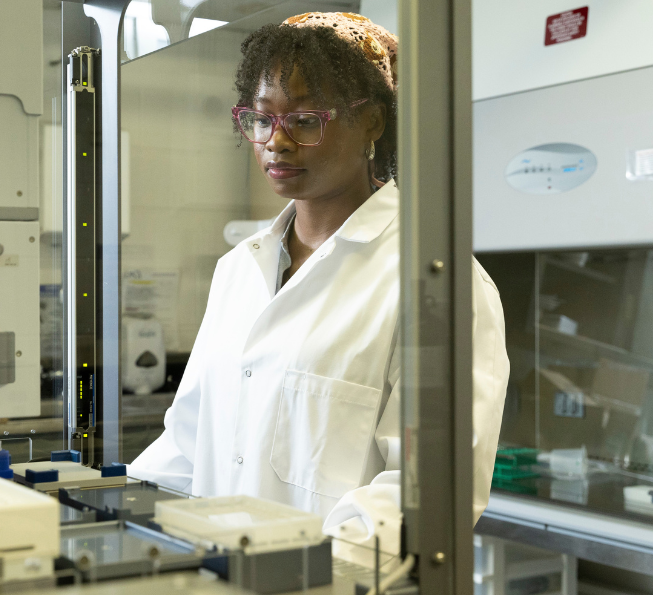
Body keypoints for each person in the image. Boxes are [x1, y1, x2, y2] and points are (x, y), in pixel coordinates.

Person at [128, 12, 509, 562]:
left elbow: (425, 491)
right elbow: (188, 445)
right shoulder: (238, 269)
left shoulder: (435, 279)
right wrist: (124, 523)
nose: (276, 142)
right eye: (260, 120)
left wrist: (306, 573)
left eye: (305, 120)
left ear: (374, 122)